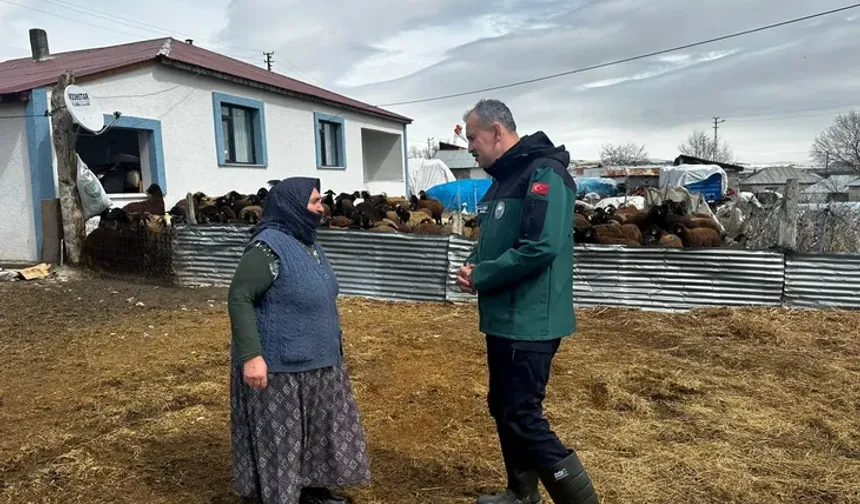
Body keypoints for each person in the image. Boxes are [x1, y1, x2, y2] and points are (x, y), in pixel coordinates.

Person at [456, 99, 598, 504]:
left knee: (522, 415)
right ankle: (521, 493)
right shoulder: (504, 177)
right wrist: (472, 264)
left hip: (531, 319)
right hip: (503, 317)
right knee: (503, 406)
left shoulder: (544, 174)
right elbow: (493, 239)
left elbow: (541, 246)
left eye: (472, 137)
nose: (469, 147)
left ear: (497, 132)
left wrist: (483, 275)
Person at [227, 177, 370, 504]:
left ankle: (313, 492)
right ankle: (281, 497)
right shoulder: (268, 246)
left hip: (319, 362)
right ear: (291, 206)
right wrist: (251, 355)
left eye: (320, 201)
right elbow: (240, 297)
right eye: (315, 202)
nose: (322, 208)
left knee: (317, 435)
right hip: (280, 368)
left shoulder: (308, 241)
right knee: (282, 440)